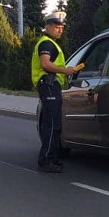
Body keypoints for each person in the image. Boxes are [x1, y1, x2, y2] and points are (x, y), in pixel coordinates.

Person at [31, 11, 78, 173]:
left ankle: (52, 158)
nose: (60, 30)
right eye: (57, 27)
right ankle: (46, 160)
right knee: (52, 125)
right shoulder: (46, 44)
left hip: (51, 85)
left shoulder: (50, 43)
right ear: (48, 26)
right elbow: (45, 64)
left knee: (52, 124)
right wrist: (65, 71)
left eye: (62, 28)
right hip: (48, 84)